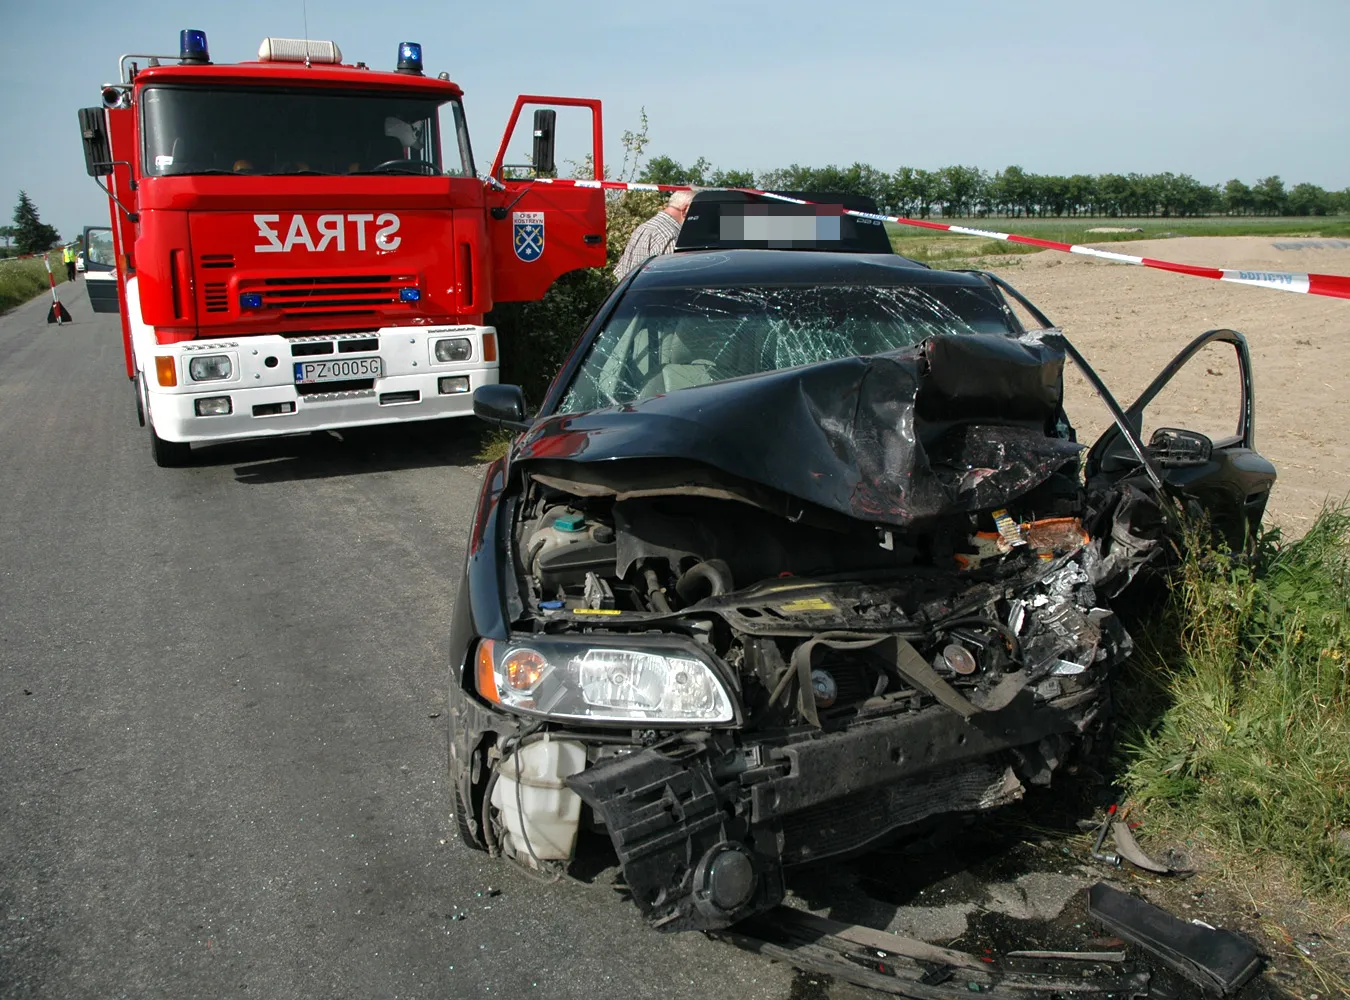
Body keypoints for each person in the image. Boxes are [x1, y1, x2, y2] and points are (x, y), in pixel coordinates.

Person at [613, 190, 693, 280]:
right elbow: (670, 279)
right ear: (686, 209)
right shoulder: (671, 236)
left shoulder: (643, 228)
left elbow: (620, 272)